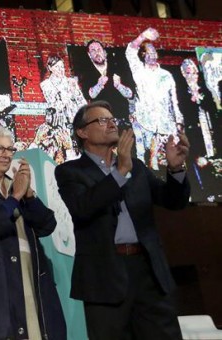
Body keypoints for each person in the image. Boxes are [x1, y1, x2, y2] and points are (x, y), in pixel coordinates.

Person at [55, 101, 190, 340]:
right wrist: (119, 173)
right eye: (102, 120)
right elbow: (83, 208)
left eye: (112, 119)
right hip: (105, 275)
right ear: (83, 132)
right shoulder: (70, 172)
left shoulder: (136, 168)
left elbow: (172, 201)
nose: (111, 124)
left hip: (148, 271)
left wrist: (176, 168)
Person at [0, 125, 66, 340]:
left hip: (30, 270)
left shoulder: (18, 185)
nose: (6, 154)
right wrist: (14, 197)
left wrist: (30, 196)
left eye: (10, 149)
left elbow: (47, 225)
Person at [126, 28, 184, 170]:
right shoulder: (139, 72)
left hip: (167, 127)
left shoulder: (166, 75)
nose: (151, 54)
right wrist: (142, 36)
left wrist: (178, 122)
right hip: (147, 126)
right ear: (142, 55)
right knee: (152, 167)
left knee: (174, 165)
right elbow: (130, 51)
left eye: (153, 51)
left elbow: (174, 101)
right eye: (147, 52)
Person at [79, 39, 134, 128]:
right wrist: (99, 85)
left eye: (99, 49)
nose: (97, 52)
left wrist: (119, 86)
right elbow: (90, 95)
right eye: (93, 50)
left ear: (104, 52)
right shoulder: (87, 73)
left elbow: (130, 94)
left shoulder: (118, 67)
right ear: (89, 55)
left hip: (122, 120)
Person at [40, 54, 87, 126]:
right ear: (50, 68)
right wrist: (69, 93)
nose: (60, 70)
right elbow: (54, 105)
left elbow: (81, 100)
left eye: (62, 67)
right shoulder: (46, 84)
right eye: (57, 67)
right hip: (59, 122)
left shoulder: (71, 81)